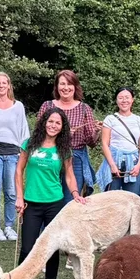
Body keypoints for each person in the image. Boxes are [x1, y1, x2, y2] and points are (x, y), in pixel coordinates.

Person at [15, 107, 87, 279]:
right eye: (50, 121)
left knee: (52, 248)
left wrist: (74, 194)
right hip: (31, 202)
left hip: (54, 204)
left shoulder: (64, 150)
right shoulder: (29, 144)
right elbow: (19, 171)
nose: (53, 125)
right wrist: (19, 197)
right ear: (44, 122)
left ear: (62, 127)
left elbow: (69, 175)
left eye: (58, 123)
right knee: (28, 247)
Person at [38, 70, 99, 201]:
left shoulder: (84, 108)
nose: (66, 88)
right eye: (62, 84)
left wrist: (97, 131)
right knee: (48, 198)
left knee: (70, 201)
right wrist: (63, 134)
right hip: (49, 156)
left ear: (75, 86)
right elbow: (38, 134)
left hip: (75, 158)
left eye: (70, 84)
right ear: (57, 86)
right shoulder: (47, 106)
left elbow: (91, 142)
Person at [0, 72, 30, 242]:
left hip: (13, 153)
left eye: (5, 83)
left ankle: (9, 226)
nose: (2, 85)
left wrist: (24, 153)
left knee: (12, 192)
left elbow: (24, 131)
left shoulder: (18, 106)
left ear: (9, 86)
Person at [97, 86, 140, 196]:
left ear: (132, 100)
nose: (124, 101)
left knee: (132, 198)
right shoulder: (110, 119)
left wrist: (138, 166)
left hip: (133, 163)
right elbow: (105, 144)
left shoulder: (139, 121)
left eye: (127, 97)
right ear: (116, 100)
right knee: (111, 198)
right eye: (120, 98)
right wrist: (112, 165)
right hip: (114, 160)